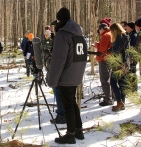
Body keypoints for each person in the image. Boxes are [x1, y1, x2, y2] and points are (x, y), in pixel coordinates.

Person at [48, 7, 87, 144]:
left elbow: (58, 60)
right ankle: (78, 130)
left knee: (68, 106)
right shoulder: (78, 34)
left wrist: (51, 80)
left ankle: (70, 134)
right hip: (76, 74)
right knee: (73, 104)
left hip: (66, 76)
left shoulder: (63, 35)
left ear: (59, 20)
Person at [41, 30, 66, 124]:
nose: (46, 36)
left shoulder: (57, 41)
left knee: (58, 90)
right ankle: (61, 111)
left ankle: (62, 114)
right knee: (57, 90)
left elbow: (57, 55)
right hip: (51, 65)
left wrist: (51, 54)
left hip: (57, 69)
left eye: (47, 34)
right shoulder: (55, 40)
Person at [108, 23, 130, 111]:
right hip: (125, 63)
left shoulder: (120, 37)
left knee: (113, 82)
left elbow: (117, 51)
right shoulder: (125, 36)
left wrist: (110, 50)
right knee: (122, 83)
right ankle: (122, 103)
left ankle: (119, 101)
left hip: (119, 64)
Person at [94, 23, 113, 106]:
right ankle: (112, 96)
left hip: (104, 59)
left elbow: (102, 48)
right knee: (109, 79)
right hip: (109, 59)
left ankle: (108, 99)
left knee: (105, 80)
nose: (99, 31)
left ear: (102, 28)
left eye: (99, 29)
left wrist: (96, 45)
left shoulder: (105, 35)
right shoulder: (110, 34)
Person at [126, 22, 138, 91]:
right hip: (129, 56)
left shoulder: (134, 35)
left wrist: (131, 56)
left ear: (131, 27)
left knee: (132, 72)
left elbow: (133, 47)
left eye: (127, 26)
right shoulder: (130, 34)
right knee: (130, 72)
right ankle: (131, 87)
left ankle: (134, 89)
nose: (126, 28)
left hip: (132, 57)